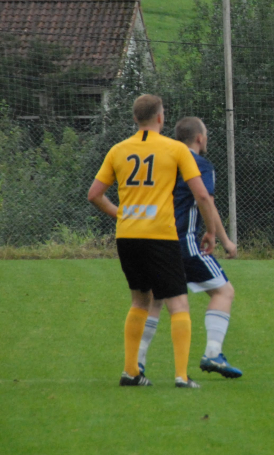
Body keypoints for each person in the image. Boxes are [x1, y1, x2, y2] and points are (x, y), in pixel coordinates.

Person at [87, 94, 215, 389]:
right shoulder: (175, 148)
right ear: (160, 117)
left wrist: (121, 214)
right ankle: (181, 376)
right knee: (178, 302)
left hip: (128, 236)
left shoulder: (118, 150)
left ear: (135, 118)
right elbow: (202, 194)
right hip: (160, 235)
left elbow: (94, 195)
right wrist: (210, 231)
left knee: (140, 300)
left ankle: (131, 372)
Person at [137, 117, 242, 379]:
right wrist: (223, 239)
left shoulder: (163, 159)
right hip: (183, 241)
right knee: (223, 291)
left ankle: (136, 362)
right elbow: (206, 201)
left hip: (151, 238)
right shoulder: (200, 164)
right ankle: (213, 353)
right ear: (199, 138)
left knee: (155, 299)